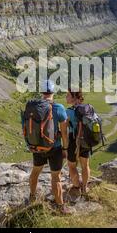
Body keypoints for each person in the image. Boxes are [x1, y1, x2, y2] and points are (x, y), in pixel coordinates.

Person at [26, 80, 71, 214]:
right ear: (53, 92)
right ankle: (60, 207)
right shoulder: (59, 108)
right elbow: (64, 132)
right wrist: (65, 148)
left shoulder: (32, 107)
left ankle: (32, 197)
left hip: (37, 147)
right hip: (54, 148)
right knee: (56, 177)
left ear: (42, 93)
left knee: (35, 172)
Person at [65, 89, 91, 195]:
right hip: (85, 139)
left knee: (72, 165)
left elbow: (65, 128)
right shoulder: (87, 109)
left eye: (68, 95)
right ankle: (84, 188)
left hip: (73, 139)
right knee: (85, 165)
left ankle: (76, 186)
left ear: (74, 98)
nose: (66, 97)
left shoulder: (68, 112)